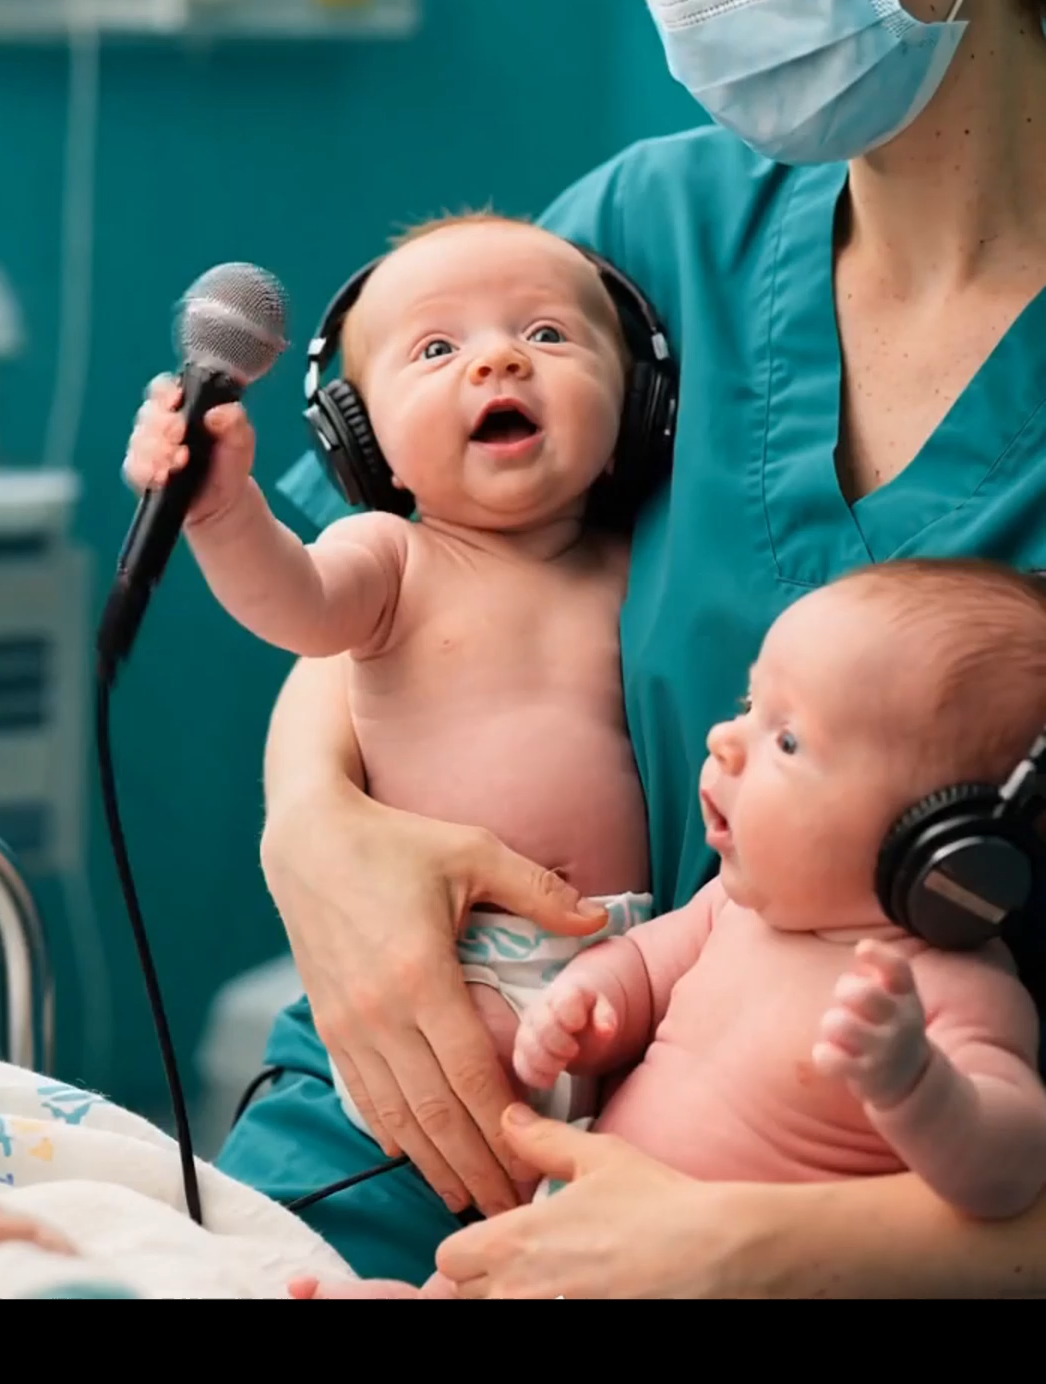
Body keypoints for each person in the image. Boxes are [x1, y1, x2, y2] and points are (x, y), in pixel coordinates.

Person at [205, 0, 1046, 1296]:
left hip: (840, 1199)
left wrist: (755, 1253)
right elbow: (405, 579)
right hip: (432, 1111)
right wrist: (313, 826)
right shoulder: (653, 237)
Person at [289, 559, 1046, 1298]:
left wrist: (917, 1084)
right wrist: (587, 1005)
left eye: (787, 740)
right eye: (750, 703)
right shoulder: (732, 908)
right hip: (581, 1230)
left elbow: (1009, 1172)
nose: (726, 737)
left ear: (949, 846)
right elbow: (643, 970)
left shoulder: (957, 995)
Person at [124, 215, 657, 1140]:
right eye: (439, 347)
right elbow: (293, 600)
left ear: (634, 412)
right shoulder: (391, 557)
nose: (498, 363)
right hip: (450, 968)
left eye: (546, 335)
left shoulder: (641, 567)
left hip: (632, 972)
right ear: (363, 447)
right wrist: (221, 515)